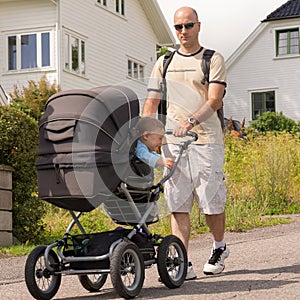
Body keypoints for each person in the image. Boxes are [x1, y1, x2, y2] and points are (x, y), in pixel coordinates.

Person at [142, 6, 229, 280]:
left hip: (206, 140)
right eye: (178, 27)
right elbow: (152, 102)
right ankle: (183, 261)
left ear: (198, 26)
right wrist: (145, 132)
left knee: (210, 201)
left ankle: (219, 246)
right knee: (177, 202)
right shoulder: (163, 62)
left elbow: (214, 99)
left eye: (188, 26)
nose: (183, 32)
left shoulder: (212, 59)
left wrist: (191, 121)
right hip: (172, 142)